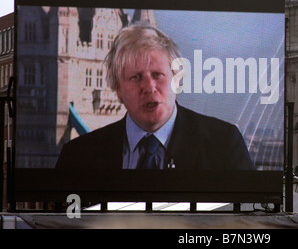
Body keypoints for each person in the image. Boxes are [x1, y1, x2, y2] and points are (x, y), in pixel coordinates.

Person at [55, 24, 255, 171]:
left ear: (177, 78)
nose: (149, 87)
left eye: (158, 75)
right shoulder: (77, 157)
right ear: (117, 90)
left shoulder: (224, 145)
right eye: (136, 77)